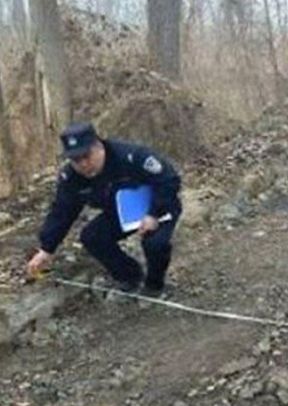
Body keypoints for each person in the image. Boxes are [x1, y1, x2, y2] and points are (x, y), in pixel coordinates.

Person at [26, 122, 182, 297]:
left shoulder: (131, 156)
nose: (83, 164)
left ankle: (155, 286)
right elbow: (62, 211)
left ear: (99, 146)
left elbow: (169, 180)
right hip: (121, 213)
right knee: (92, 237)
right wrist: (47, 248)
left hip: (159, 206)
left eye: (87, 156)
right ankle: (130, 277)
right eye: (76, 160)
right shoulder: (71, 178)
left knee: (155, 243)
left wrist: (153, 214)